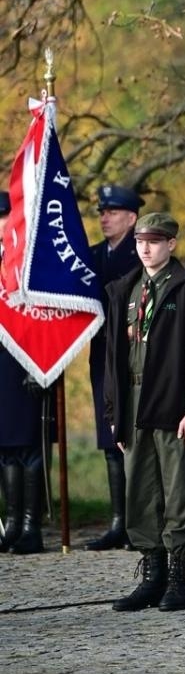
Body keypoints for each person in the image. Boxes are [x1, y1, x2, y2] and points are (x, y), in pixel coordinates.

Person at [104, 212, 185, 613]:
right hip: (133, 403)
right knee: (139, 491)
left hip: (172, 404)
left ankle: (178, 581)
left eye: (154, 241)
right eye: (140, 242)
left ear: (171, 244)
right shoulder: (125, 289)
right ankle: (152, 578)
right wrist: (113, 413)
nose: (146, 249)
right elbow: (113, 357)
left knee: (177, 492)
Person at [86, 183, 144, 551]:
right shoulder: (91, 256)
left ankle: (139, 521)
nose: (105, 218)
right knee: (111, 438)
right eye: (102, 213)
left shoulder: (141, 254)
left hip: (133, 355)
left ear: (132, 218)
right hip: (102, 354)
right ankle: (118, 521)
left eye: (113, 212)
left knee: (134, 439)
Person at [0, 190, 47, 555]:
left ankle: (31, 526)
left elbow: (48, 318)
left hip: (25, 361)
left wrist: (41, 365)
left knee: (29, 445)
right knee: (5, 448)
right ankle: (13, 524)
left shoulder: (30, 261)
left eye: (3, 217)